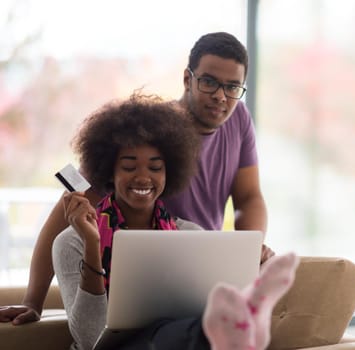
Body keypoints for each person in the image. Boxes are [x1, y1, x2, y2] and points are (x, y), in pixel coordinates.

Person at [0, 31, 274, 326]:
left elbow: (248, 197)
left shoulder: (239, 119)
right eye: (209, 82)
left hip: (198, 274)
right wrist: (33, 301)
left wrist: (250, 247)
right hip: (142, 279)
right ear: (187, 79)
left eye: (233, 86)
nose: (221, 95)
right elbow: (64, 216)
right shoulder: (147, 133)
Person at [50, 92, 298, 350]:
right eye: (129, 166)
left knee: (184, 328)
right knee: (185, 333)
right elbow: (90, 339)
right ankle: (239, 327)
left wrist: (254, 264)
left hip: (175, 340)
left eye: (155, 168)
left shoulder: (190, 235)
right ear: (109, 171)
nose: (143, 177)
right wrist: (92, 244)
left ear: (170, 172)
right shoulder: (71, 243)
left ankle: (241, 317)